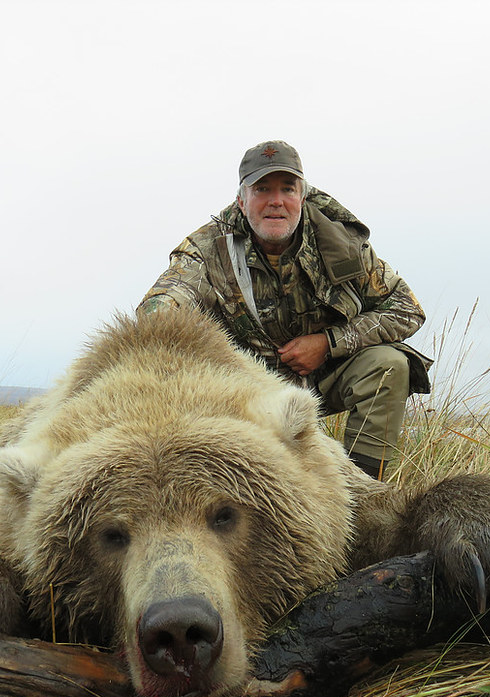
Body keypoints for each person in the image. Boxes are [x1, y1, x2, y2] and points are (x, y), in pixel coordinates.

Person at [137, 140, 431, 479]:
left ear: (302, 197)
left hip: (324, 374)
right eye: (262, 189)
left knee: (390, 365)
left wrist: (329, 343)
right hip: (245, 391)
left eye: (287, 189)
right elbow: (157, 310)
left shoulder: (342, 244)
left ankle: (363, 492)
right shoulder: (207, 249)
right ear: (241, 200)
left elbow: (406, 309)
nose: (276, 201)